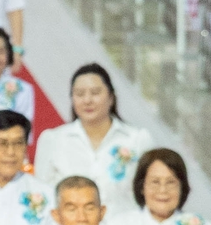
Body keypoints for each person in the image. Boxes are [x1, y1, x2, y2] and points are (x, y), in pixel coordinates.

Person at [31, 63, 140, 210]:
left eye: (95, 93)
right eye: (80, 94)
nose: (87, 100)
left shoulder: (136, 139)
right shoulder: (53, 139)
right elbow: (42, 195)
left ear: (111, 97)